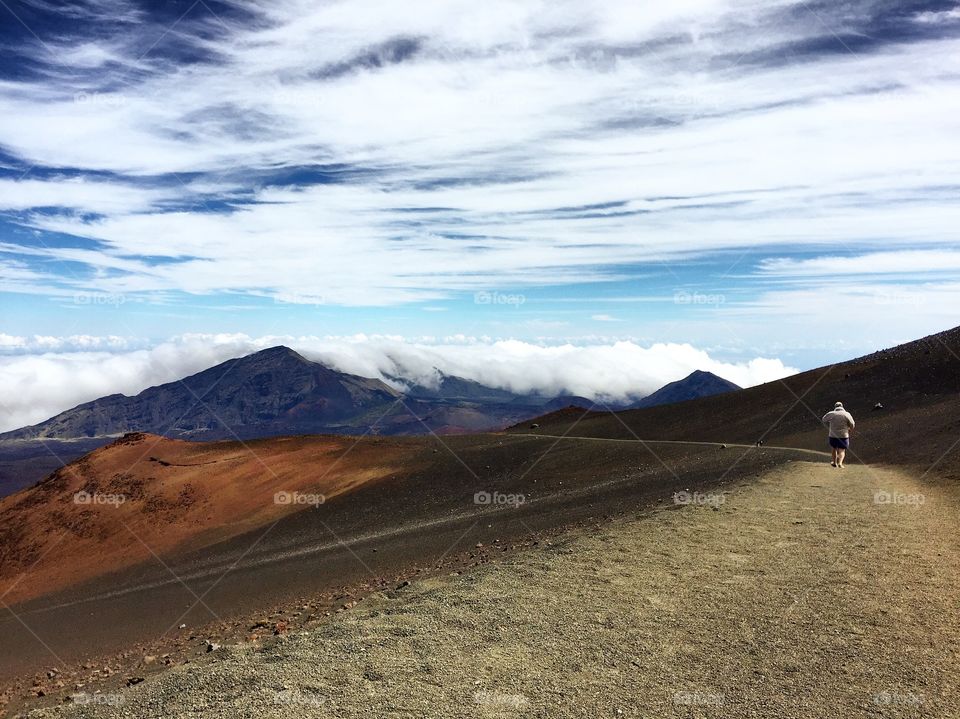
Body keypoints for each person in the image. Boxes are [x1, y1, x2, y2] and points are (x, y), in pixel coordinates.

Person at [822, 401, 855, 468]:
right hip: (844, 435)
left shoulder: (831, 413)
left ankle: (834, 463)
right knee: (842, 450)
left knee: (834, 448)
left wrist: (830, 421)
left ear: (835, 407)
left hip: (833, 435)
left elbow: (824, 419)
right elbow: (852, 424)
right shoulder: (847, 414)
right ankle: (840, 463)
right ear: (842, 406)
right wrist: (850, 428)